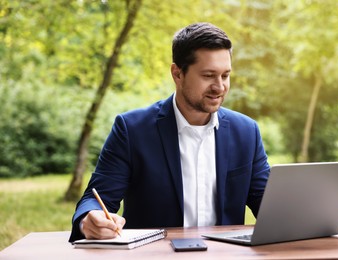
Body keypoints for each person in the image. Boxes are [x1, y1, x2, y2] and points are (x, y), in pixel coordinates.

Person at [69, 22, 270, 242]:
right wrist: (88, 219)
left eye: (225, 75)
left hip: (225, 255)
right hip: (154, 254)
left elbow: (269, 205)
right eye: (208, 75)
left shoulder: (246, 132)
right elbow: (97, 199)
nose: (219, 86)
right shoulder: (131, 130)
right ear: (177, 73)